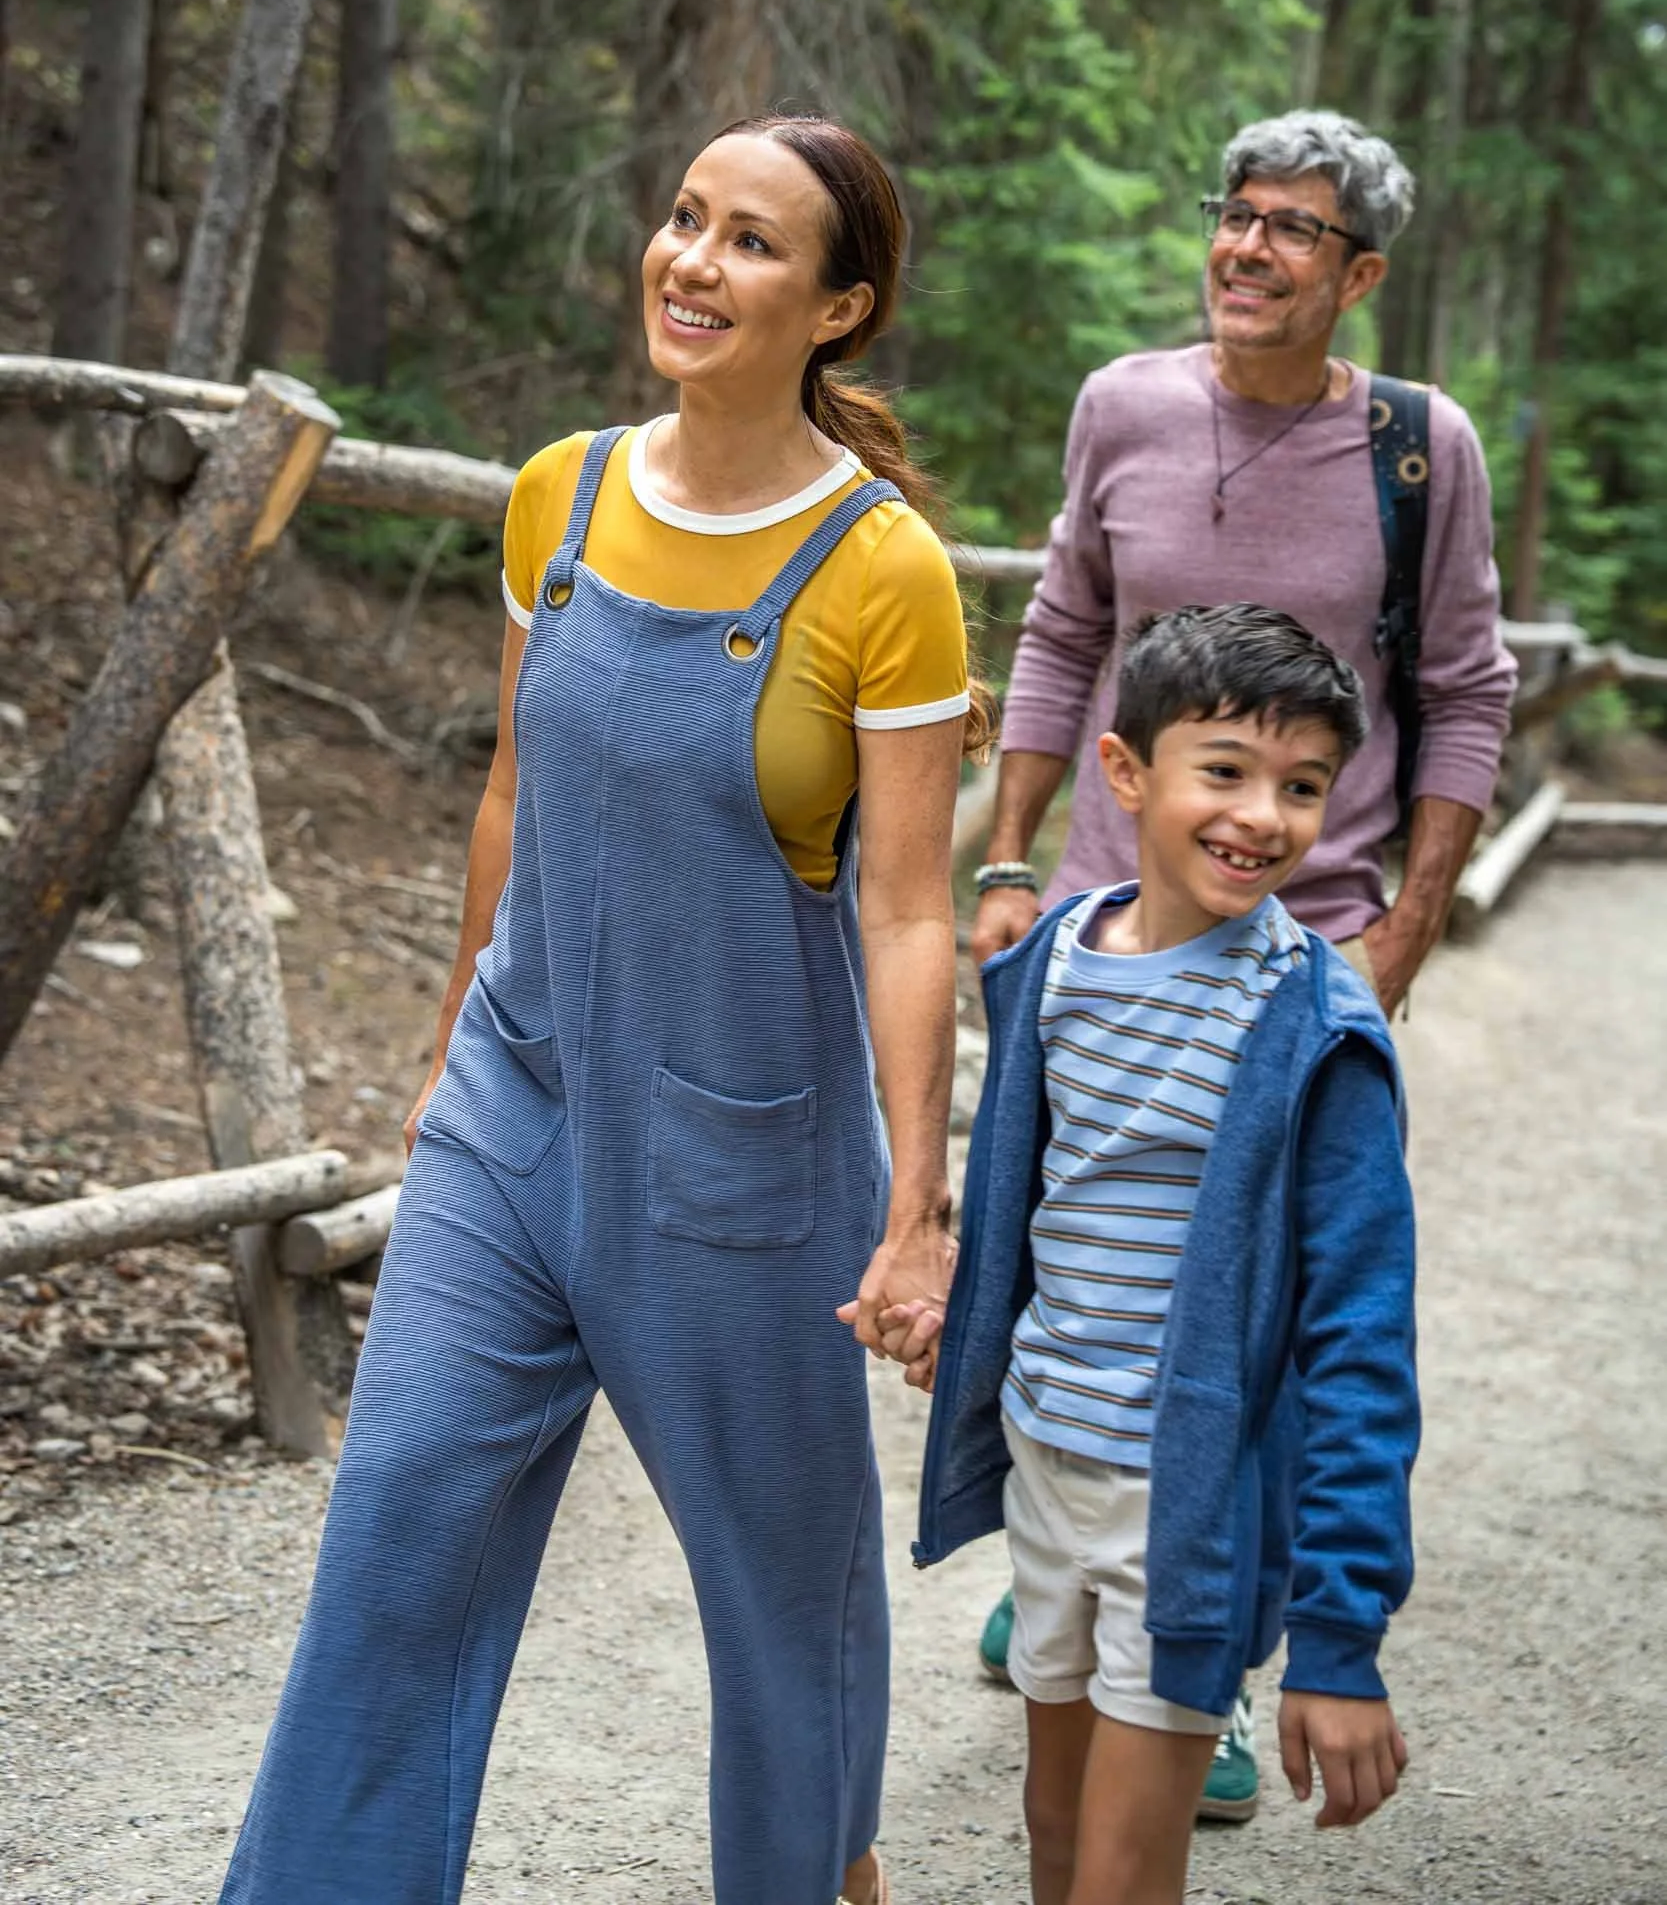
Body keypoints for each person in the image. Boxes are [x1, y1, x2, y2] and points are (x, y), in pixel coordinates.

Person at [216, 113, 986, 1905]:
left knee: (781, 1594)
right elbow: (508, 794)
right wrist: (446, 1071)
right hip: (517, 1113)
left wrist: (913, 1206)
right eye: (683, 219)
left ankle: (819, 1874)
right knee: (397, 1531)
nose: (692, 262)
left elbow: (905, 910)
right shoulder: (561, 488)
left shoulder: (884, 573)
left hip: (742, 1164)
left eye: (752, 244)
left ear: (837, 306)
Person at [969, 109, 1513, 1815]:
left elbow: (1469, 688)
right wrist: (1007, 861)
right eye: (1235, 215)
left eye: (1294, 231)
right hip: (1101, 931)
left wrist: (1396, 936)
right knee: (1082, 1251)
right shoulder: (1122, 406)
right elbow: (1066, 628)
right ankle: (1071, 1550)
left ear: (1354, 276)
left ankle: (1196, 1649)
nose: (1248, 249)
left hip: (1299, 944)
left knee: (1263, 1303)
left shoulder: (1416, 452)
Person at [900, 604, 1420, 1905]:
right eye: (1226, 771)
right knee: (1052, 1833)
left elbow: (1360, 1339)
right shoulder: (1050, 970)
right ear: (1125, 772)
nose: (1263, 815)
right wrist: (956, 1319)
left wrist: (1337, 1637)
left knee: (1123, 1880)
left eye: (1301, 787)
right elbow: (1044, 1212)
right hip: (1042, 1466)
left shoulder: (1317, 1037)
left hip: (1179, 1510)